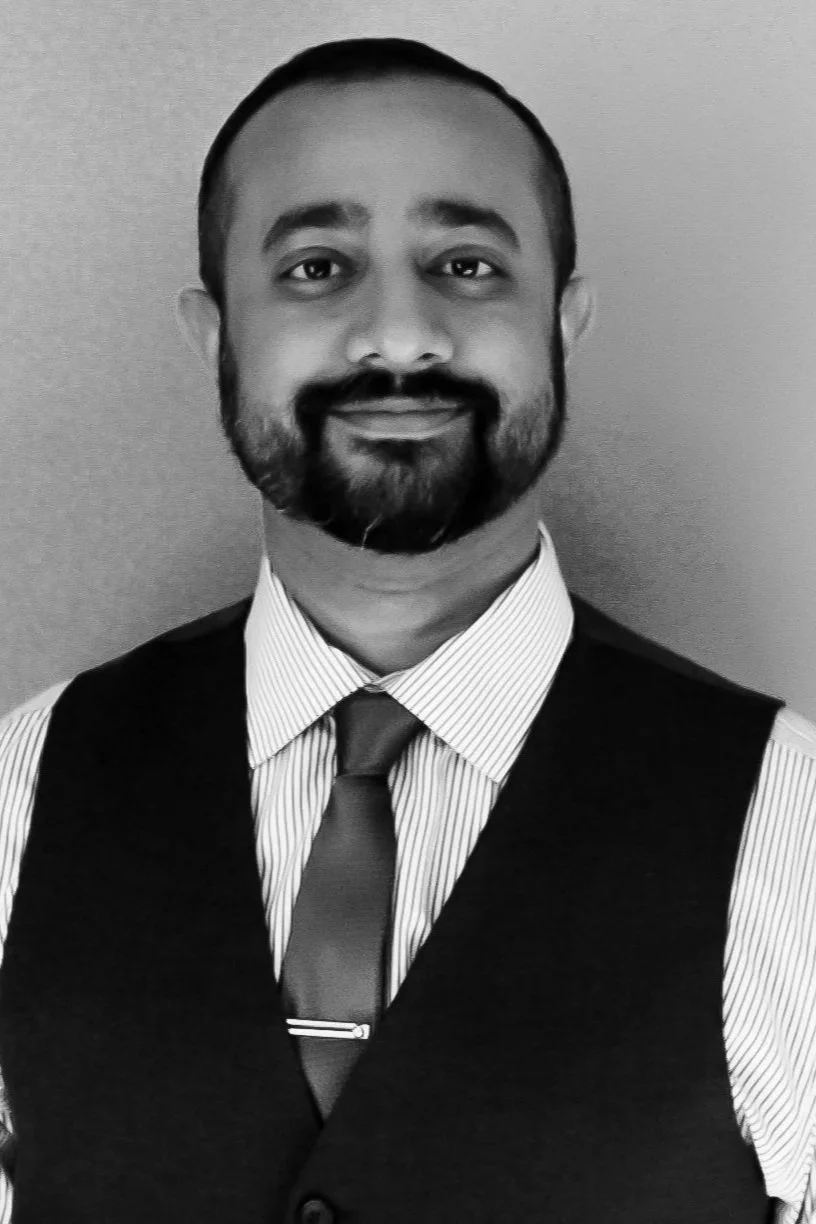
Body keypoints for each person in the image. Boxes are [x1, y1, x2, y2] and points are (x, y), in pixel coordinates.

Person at [0, 35, 813, 1224]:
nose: (400, 336)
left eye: (469, 264)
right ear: (215, 333)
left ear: (565, 324)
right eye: (319, 266)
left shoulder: (792, 826)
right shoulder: (22, 790)